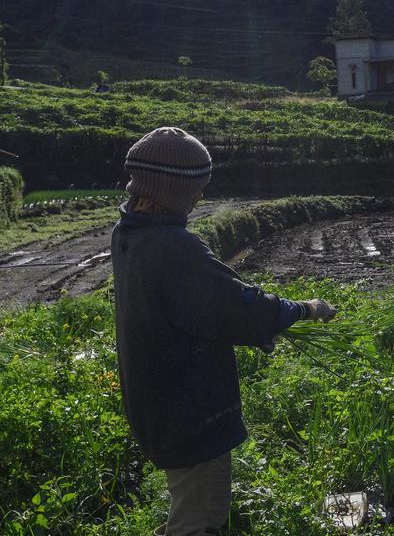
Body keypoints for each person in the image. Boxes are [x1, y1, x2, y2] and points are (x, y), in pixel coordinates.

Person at [110, 127, 337, 536]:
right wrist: (307, 309)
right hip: (190, 414)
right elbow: (240, 308)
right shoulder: (173, 249)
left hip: (157, 405)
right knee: (198, 524)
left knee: (186, 510)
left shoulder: (128, 234)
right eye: (197, 188)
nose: (201, 198)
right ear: (172, 187)